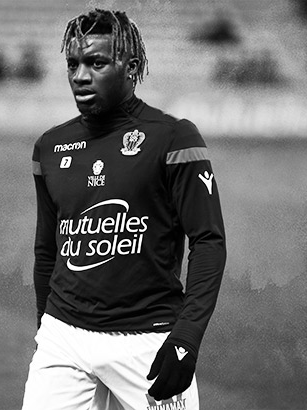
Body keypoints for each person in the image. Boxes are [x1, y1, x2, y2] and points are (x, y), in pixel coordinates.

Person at [23, 9, 227, 410]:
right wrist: (45, 326)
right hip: (63, 337)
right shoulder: (50, 147)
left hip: (147, 340)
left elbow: (208, 241)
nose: (80, 76)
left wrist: (186, 338)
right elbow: (47, 250)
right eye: (73, 64)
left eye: (96, 63)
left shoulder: (173, 138)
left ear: (131, 68)